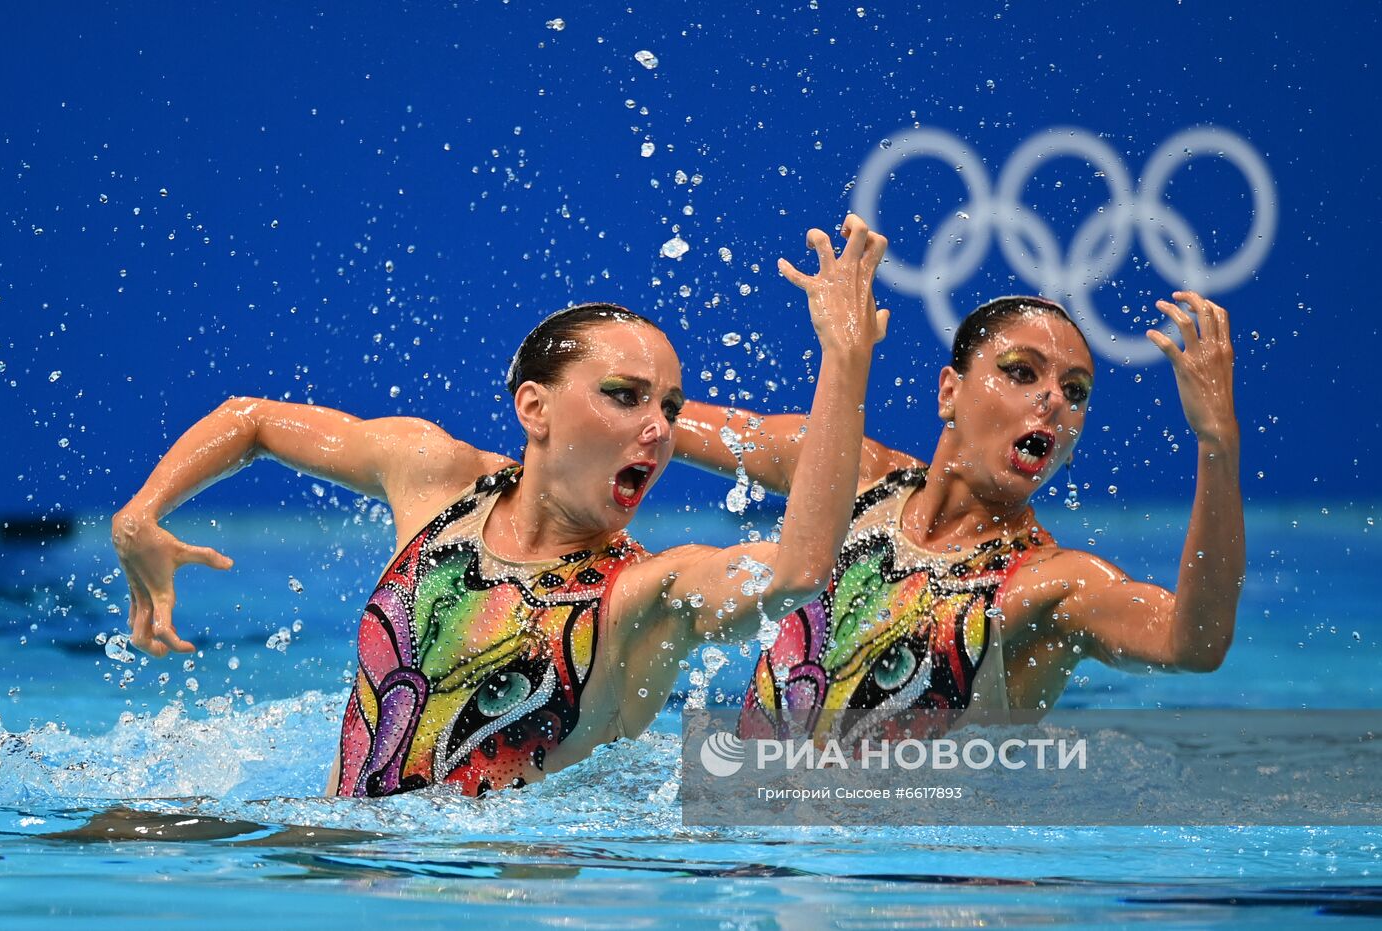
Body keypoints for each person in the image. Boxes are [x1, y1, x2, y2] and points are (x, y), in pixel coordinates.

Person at [110, 215, 890, 796]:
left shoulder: (642, 598)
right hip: (348, 868)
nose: (658, 427)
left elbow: (797, 568)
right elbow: (252, 421)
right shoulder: (436, 480)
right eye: (623, 396)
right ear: (534, 407)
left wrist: (844, 359)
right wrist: (139, 515)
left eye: (671, 407)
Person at [674, 291, 1242, 743]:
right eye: (1023, 372)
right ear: (949, 391)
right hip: (763, 850)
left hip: (917, 876)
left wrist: (1217, 444)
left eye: (1075, 391)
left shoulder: (1050, 585)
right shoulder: (853, 478)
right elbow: (661, 425)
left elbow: (1194, 645)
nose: (1052, 400)